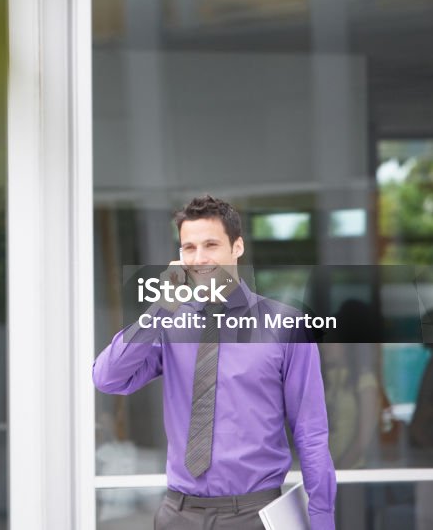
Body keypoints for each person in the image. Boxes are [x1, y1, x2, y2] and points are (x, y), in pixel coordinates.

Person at [93, 196, 336, 530]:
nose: (199, 258)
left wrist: (322, 519)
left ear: (237, 247)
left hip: (254, 515)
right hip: (177, 514)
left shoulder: (286, 325)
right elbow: (108, 378)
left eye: (211, 245)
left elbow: (310, 432)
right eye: (188, 248)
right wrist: (159, 308)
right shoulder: (168, 322)